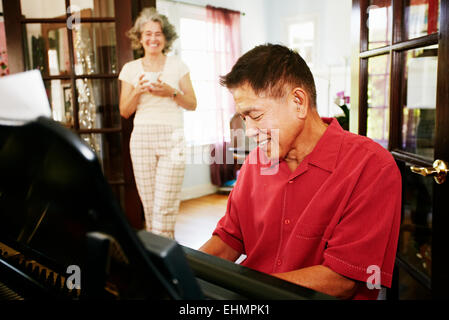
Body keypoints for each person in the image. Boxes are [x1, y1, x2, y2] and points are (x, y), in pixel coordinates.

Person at [199, 44, 401, 300]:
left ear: (298, 102)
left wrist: (242, 295)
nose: (248, 130)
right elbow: (229, 239)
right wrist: (181, 272)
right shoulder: (254, 164)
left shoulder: (372, 167)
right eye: (243, 118)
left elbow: (341, 280)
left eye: (256, 115)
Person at [119, 8, 197, 239]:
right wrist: (138, 91)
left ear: (166, 38)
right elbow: (124, 111)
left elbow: (192, 103)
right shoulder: (130, 69)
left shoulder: (178, 66)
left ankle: (163, 263)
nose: (153, 38)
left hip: (172, 137)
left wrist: (171, 91)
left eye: (159, 33)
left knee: (165, 207)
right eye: (148, 33)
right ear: (140, 38)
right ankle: (159, 262)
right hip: (141, 137)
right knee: (151, 207)